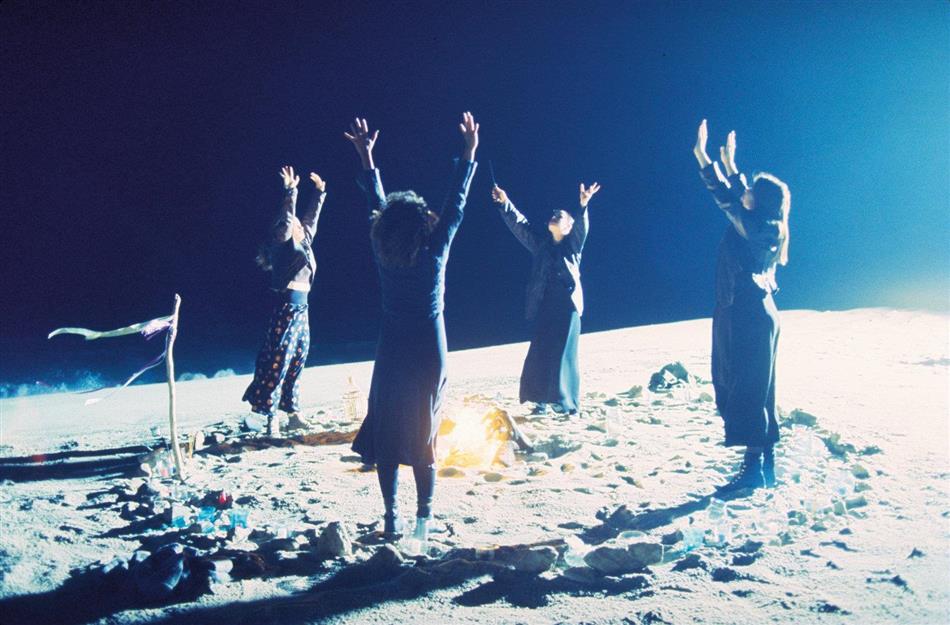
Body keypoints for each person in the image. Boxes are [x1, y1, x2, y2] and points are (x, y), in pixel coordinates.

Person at [347, 113, 479, 541]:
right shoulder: (435, 251)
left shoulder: (382, 249)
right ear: (422, 223)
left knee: (387, 432)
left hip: (392, 346)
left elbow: (378, 207)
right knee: (424, 434)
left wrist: (368, 160)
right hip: (428, 346)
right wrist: (468, 154)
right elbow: (456, 204)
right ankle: (423, 520)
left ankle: (392, 518)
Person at [693, 119, 791, 495]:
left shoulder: (754, 227)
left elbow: (726, 198)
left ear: (759, 200)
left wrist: (703, 158)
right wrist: (731, 163)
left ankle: (753, 471)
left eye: (752, 189)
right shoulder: (768, 224)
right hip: (757, 311)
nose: (745, 189)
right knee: (760, 388)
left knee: (745, 387)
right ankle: (765, 466)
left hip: (746, 314)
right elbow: (739, 195)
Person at [491, 180, 600, 415]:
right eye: (553, 214)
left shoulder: (572, 247)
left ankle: (567, 404)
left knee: (563, 355)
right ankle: (539, 401)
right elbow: (520, 225)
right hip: (544, 306)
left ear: (568, 226)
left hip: (568, 307)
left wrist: (582, 206)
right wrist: (504, 202)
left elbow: (582, 228)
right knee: (540, 352)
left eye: (560, 216)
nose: (554, 216)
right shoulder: (540, 245)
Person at [242, 165, 327, 437]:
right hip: (286, 309)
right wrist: (291, 191)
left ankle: (292, 412)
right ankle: (267, 417)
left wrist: (319, 193)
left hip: (302, 309)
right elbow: (288, 220)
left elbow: (310, 221)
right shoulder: (284, 246)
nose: (301, 226)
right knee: (277, 362)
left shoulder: (305, 244)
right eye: (296, 225)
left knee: (297, 359)